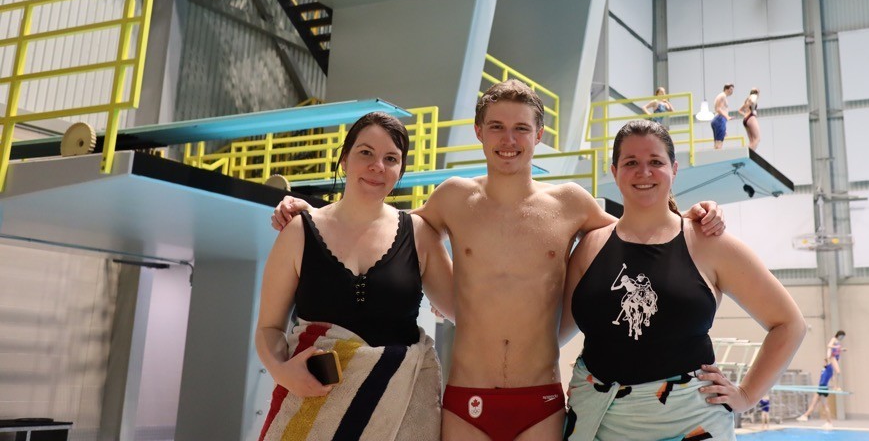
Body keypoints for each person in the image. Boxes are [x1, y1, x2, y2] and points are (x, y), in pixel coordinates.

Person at [271, 80, 726, 441]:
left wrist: (690, 213)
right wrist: (314, 214)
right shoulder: (452, 198)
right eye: (497, 127)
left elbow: (641, 227)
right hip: (466, 393)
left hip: (541, 397)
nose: (509, 140)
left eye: (521, 128)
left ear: (539, 135)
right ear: (479, 132)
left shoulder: (571, 203)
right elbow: (384, 223)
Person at [559, 120, 806, 440]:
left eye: (656, 162)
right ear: (614, 171)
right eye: (631, 162)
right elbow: (552, 334)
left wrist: (746, 395)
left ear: (674, 169)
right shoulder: (591, 247)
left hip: (688, 419)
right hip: (597, 418)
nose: (643, 172)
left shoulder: (708, 242)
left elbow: (789, 323)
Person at [255, 112, 455, 440]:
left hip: (400, 416)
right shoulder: (299, 231)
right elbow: (268, 328)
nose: (378, 165)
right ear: (345, 159)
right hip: (312, 406)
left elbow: (462, 311)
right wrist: (282, 372)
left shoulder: (419, 235)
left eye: (391, 158)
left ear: (400, 170)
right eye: (366, 153)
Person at [795, 357, 836, 428]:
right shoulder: (824, 369)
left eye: (825, 362)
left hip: (823, 388)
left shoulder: (829, 368)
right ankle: (805, 416)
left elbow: (832, 377)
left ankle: (829, 422)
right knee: (813, 403)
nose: (824, 363)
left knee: (825, 405)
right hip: (820, 387)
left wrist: (835, 386)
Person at [711, 83, 734, 149]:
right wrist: (727, 117)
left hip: (719, 120)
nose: (732, 91)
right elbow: (718, 109)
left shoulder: (722, 96)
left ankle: (716, 157)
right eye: (731, 89)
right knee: (719, 143)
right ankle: (718, 157)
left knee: (717, 143)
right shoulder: (722, 96)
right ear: (726, 89)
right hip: (719, 119)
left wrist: (725, 128)